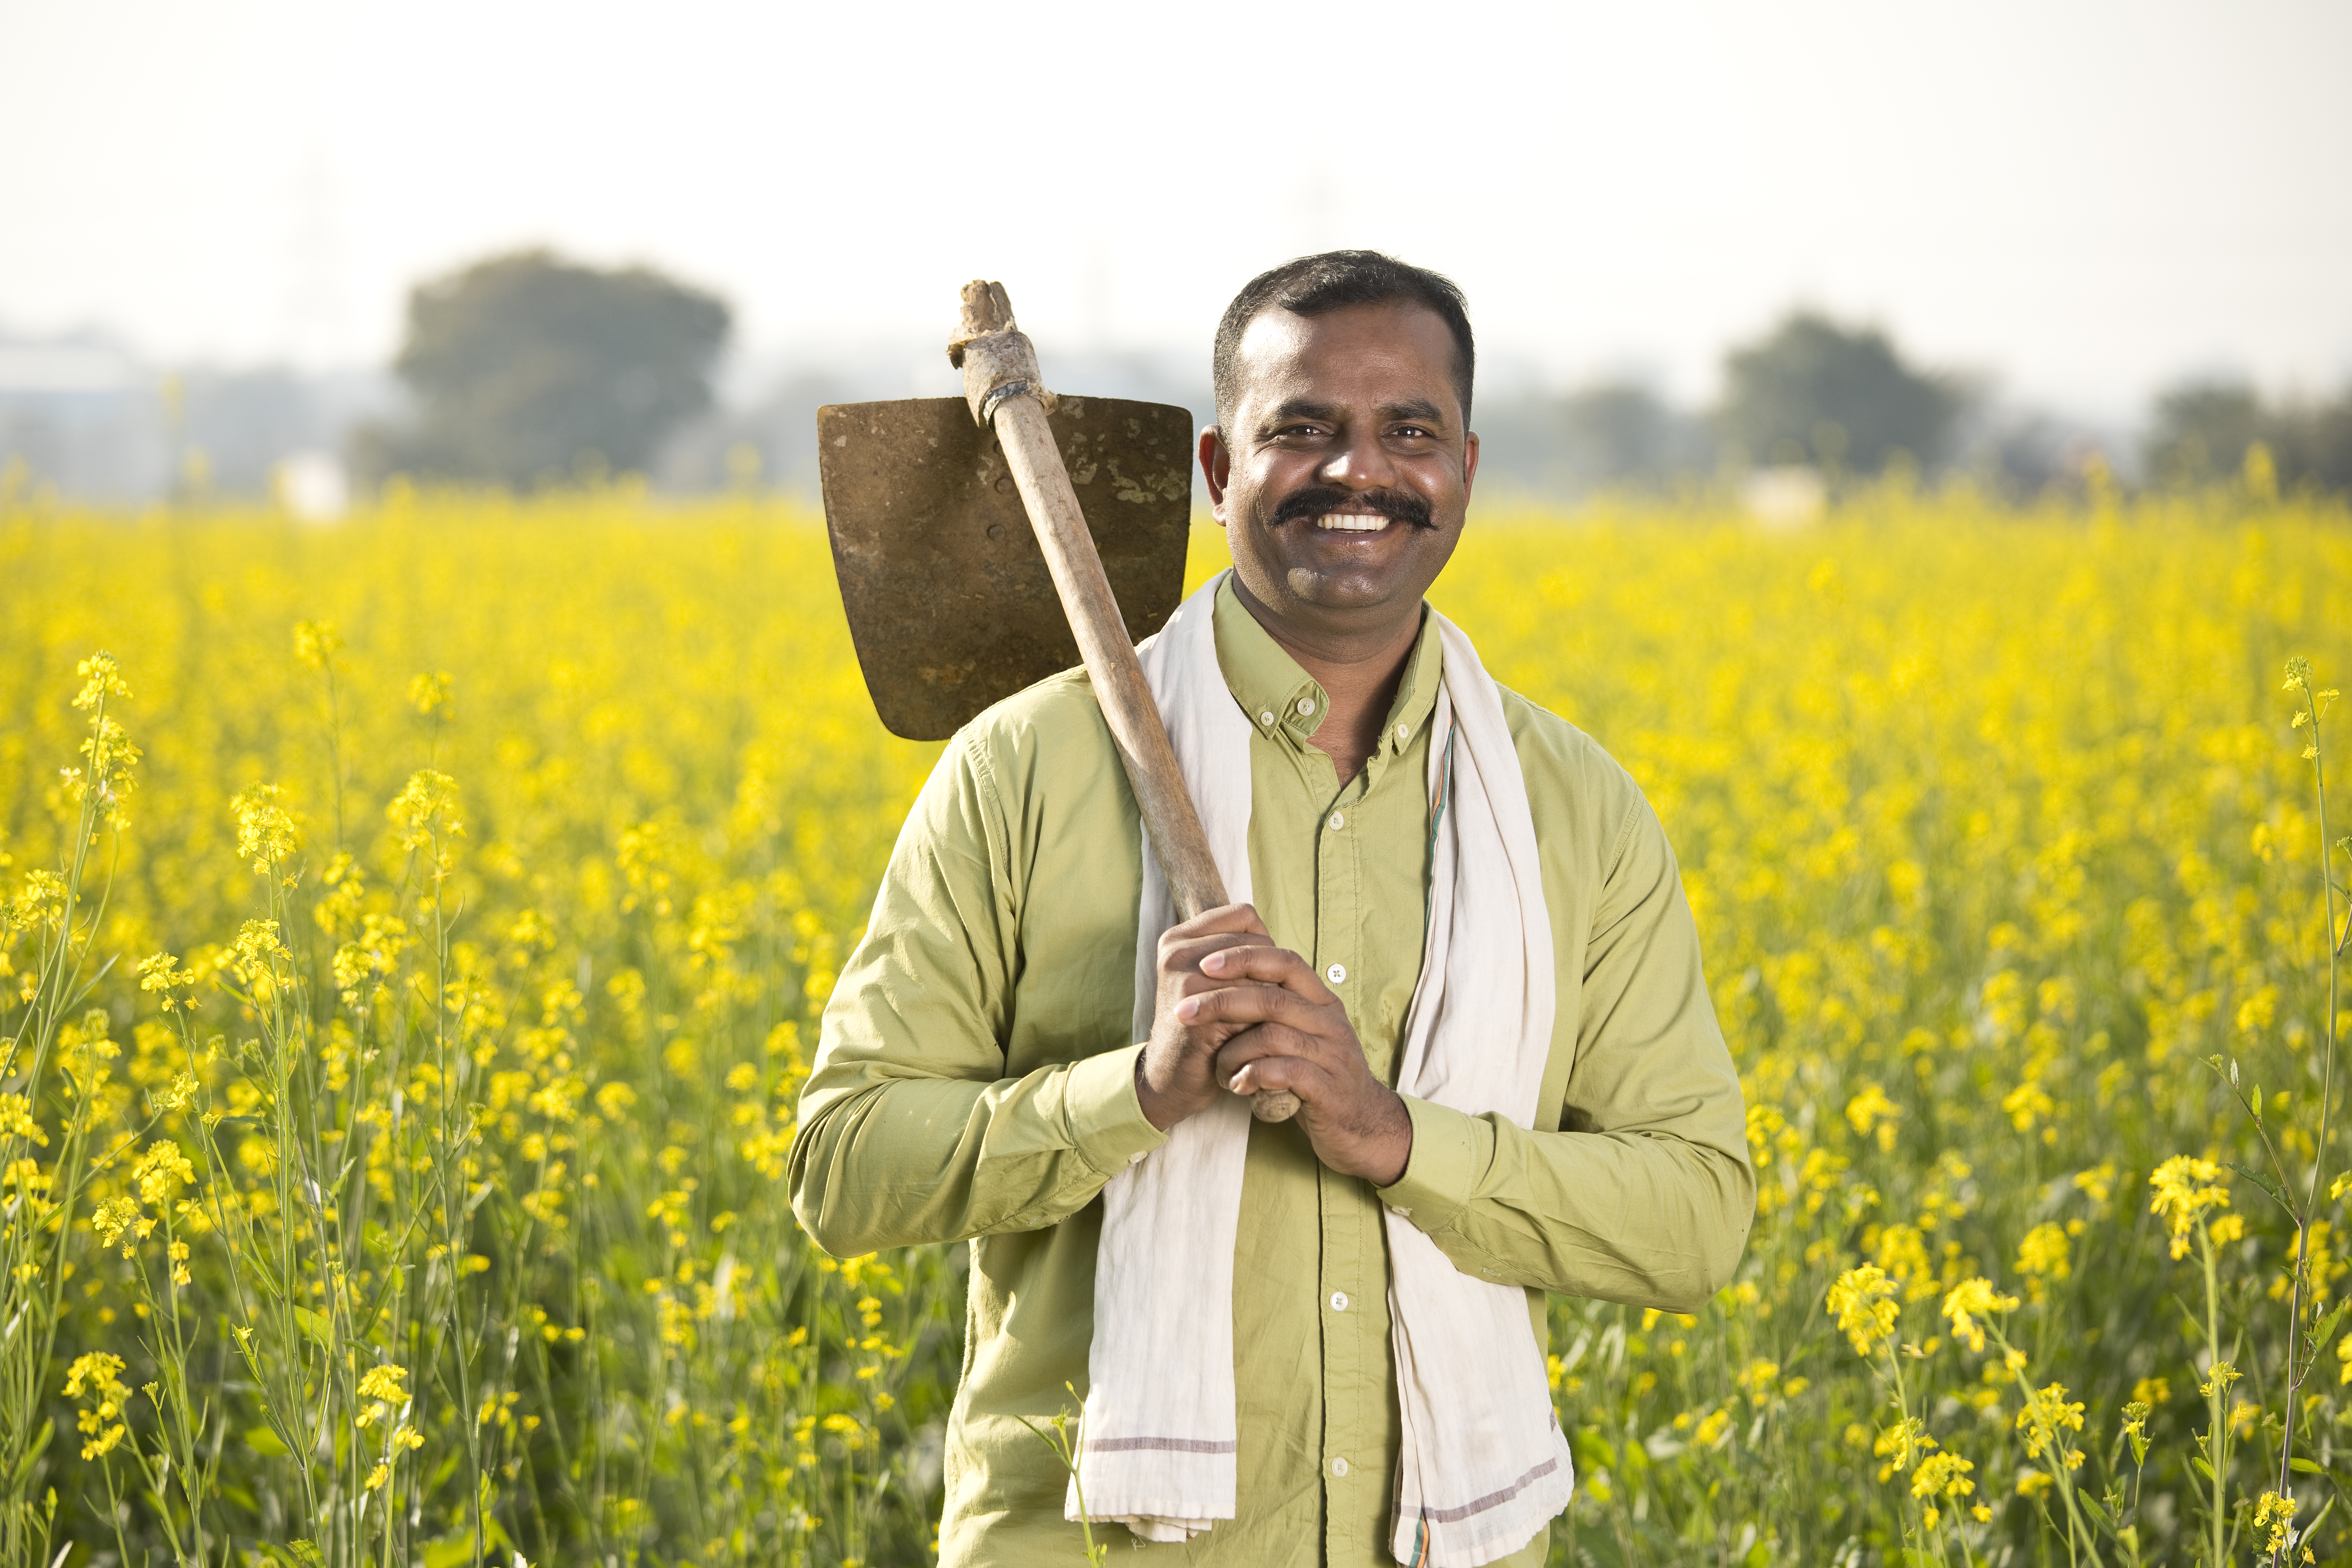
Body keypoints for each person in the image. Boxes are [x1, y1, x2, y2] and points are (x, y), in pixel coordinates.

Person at [789, 251, 1753, 1567]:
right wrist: (1136, 1086)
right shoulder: (1027, 768)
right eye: (1299, 429)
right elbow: (843, 1170)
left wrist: (1398, 1137)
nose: (1358, 472)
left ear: (1465, 466)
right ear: (1217, 470)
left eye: (1406, 431)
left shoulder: (1571, 808)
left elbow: (1697, 1215)